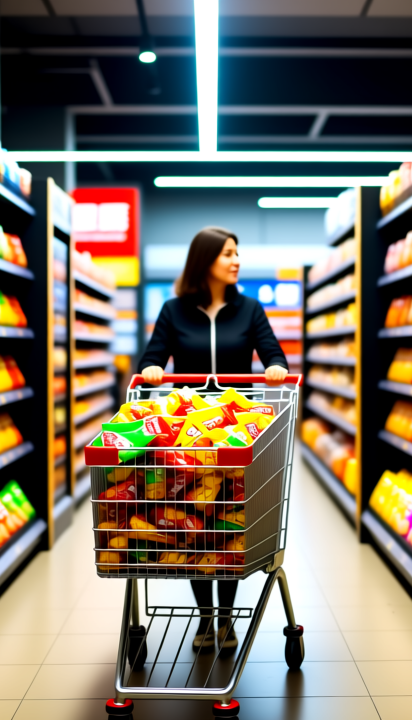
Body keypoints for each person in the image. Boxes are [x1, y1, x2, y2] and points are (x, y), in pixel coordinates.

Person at [138, 226, 288, 654]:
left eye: (237, 253)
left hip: (238, 433)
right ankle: (206, 617)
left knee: (233, 524)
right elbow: (152, 359)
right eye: (227, 253)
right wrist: (152, 372)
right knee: (195, 525)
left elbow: (272, 353)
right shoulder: (173, 311)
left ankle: (227, 619)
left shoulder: (250, 309)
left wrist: (275, 367)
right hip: (189, 435)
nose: (236, 260)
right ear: (205, 260)